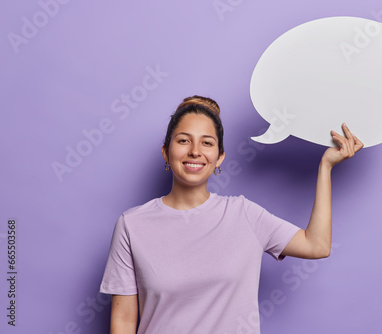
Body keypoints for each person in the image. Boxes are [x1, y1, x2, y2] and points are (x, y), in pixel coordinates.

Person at [99, 95, 363, 334]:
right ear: (166, 152)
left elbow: (316, 245)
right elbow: (122, 321)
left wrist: (325, 167)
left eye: (207, 143)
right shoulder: (132, 225)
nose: (195, 151)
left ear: (219, 157)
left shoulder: (243, 214)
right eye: (183, 140)